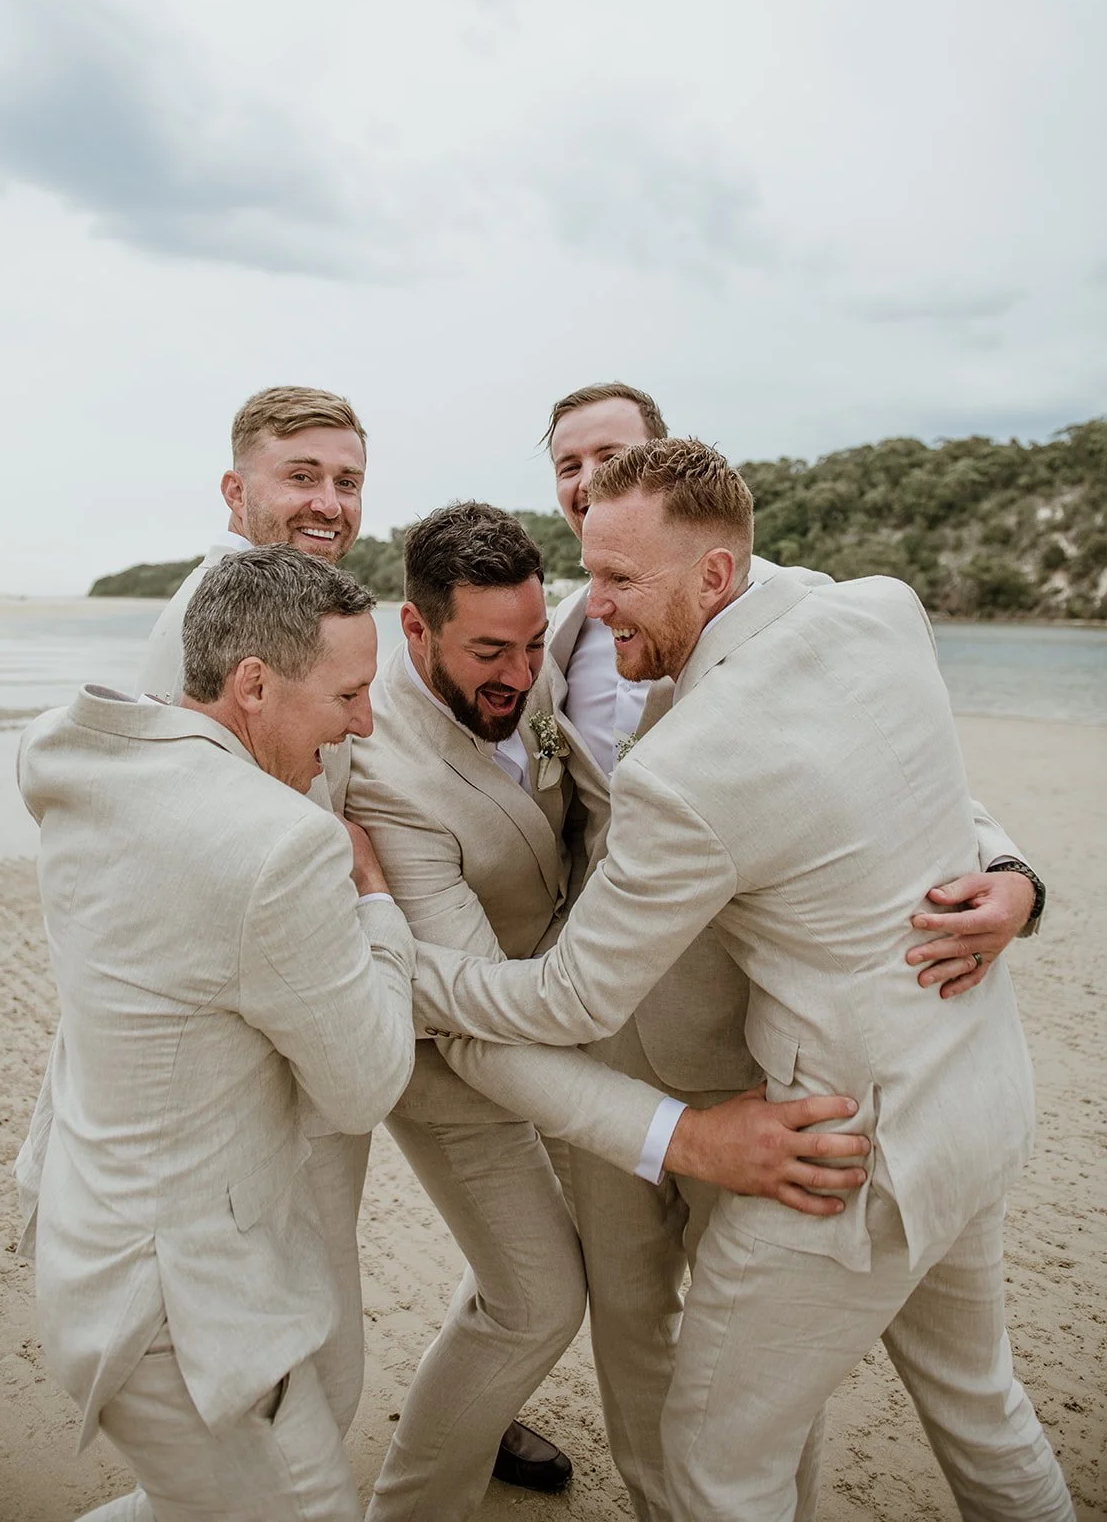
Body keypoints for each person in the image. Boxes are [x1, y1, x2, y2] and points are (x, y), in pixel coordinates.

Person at [408, 439, 1074, 1520]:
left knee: (718, 1468)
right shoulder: (880, 609)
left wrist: (415, 973)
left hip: (843, 1154)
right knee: (984, 1406)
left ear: (715, 575)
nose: (602, 602)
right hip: (979, 1095)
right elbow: (899, 783)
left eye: (623, 579)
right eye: (592, 570)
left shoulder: (688, 763)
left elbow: (574, 998)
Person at [346, 504, 868, 1522]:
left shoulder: (554, 655)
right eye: (490, 651)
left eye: (534, 643)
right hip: (459, 1044)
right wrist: (688, 1139)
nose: (520, 671)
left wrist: (999, 860)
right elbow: (469, 1023)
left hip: (570, 1018)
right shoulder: (386, 771)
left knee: (544, 1273)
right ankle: (408, 1508)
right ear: (415, 631)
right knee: (542, 1294)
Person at [136, 384, 576, 1487]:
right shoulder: (204, 626)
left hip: (368, 1010)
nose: (329, 501)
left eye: (346, 478)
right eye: (302, 476)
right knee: (309, 1361)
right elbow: (176, 860)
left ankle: (458, 1425)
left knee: (483, 1294)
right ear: (237, 491)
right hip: (283, 1045)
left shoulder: (328, 613)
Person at [14, 546, 418, 1521]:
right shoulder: (279, 846)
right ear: (250, 685)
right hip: (181, 1320)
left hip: (81, 1238)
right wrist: (376, 906)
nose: (364, 722)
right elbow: (366, 1085)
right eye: (349, 694)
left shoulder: (73, 756)